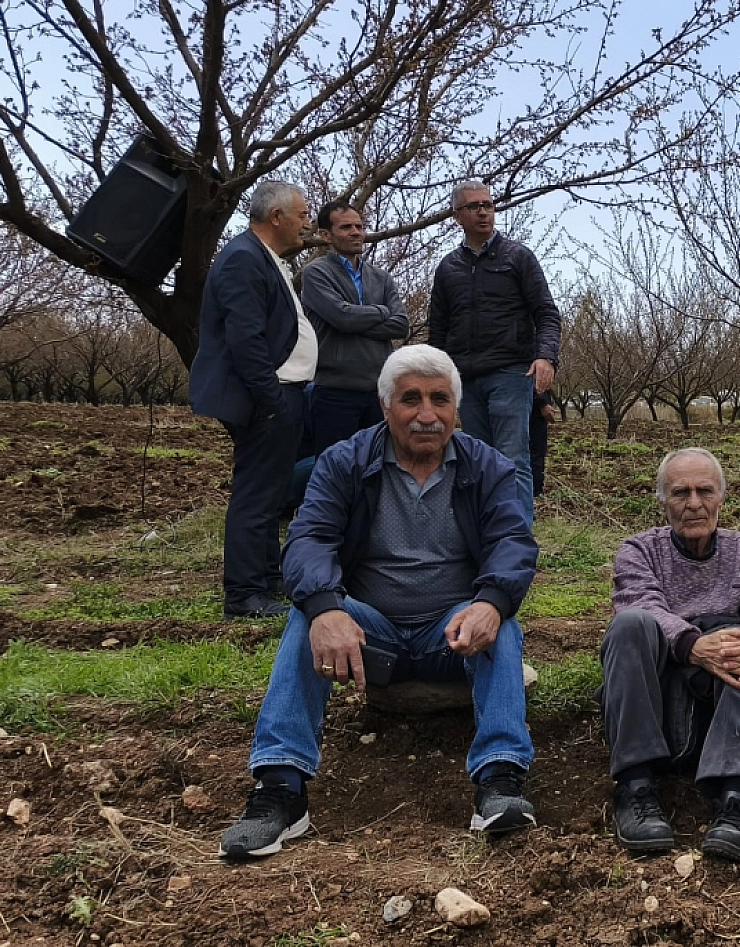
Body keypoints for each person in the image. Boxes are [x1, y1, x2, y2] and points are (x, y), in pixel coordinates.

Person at [220, 345, 539, 860]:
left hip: (451, 632)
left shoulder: (488, 468)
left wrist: (491, 602)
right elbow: (309, 540)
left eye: (440, 399)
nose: (427, 414)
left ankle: (500, 780)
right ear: (386, 406)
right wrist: (327, 607)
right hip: (372, 633)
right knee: (307, 622)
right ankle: (281, 790)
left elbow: (513, 542)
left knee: (501, 625)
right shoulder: (345, 461)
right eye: (410, 399)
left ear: (456, 408)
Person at [601, 448, 740, 861]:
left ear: (721, 498)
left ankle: (737, 796)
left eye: (704, 491)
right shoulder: (638, 551)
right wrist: (693, 645)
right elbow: (645, 604)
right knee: (630, 624)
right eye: (680, 493)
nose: (694, 504)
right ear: (662, 502)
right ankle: (635, 785)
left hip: (724, 683)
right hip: (663, 675)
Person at [190, 181, 316, 620]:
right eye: (302, 215)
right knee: (256, 496)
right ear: (276, 216)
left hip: (281, 393)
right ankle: (244, 596)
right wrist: (270, 399)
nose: (308, 222)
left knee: (270, 492)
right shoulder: (244, 259)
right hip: (267, 396)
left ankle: (267, 581)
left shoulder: (265, 258)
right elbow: (246, 339)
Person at [427, 180, 561, 521]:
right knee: (479, 459)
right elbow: (439, 327)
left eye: (488, 205)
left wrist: (546, 356)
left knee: (512, 458)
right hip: (466, 378)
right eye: (474, 206)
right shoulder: (448, 268)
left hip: (511, 371)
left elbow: (545, 312)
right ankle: (488, 532)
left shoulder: (517, 257)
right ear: (457, 215)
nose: (484, 212)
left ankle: (515, 542)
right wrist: (436, 376)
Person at [300, 201, 410, 457]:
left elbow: (401, 324)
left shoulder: (381, 277)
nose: (356, 232)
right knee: (334, 470)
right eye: (346, 227)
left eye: (359, 226)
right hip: (334, 392)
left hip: (378, 392)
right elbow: (342, 317)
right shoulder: (316, 274)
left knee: (376, 468)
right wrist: (381, 311)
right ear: (326, 235)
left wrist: (354, 316)